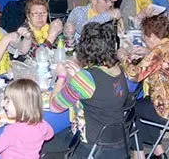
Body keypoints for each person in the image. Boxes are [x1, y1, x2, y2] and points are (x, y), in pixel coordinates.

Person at [119, 14, 169, 159]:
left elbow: (134, 75)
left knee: (130, 108)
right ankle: (159, 153)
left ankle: (139, 155)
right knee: (146, 105)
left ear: (151, 35)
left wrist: (123, 56)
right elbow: (164, 59)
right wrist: (149, 53)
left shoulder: (159, 52)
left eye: (144, 37)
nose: (144, 40)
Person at [47, 22, 129, 158]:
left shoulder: (87, 78)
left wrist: (61, 77)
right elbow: (99, 85)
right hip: (119, 141)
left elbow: (54, 106)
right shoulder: (117, 68)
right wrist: (80, 75)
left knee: (48, 143)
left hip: (93, 148)